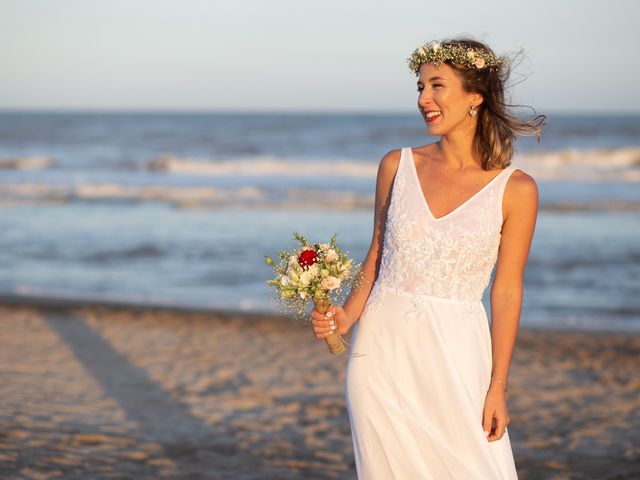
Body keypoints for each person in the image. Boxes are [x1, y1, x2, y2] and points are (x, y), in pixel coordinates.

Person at [310, 37, 545, 479]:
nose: (423, 99)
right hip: (380, 353)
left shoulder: (517, 190)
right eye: (420, 87)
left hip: (458, 355)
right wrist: (345, 317)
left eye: (437, 86)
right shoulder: (396, 165)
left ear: (476, 96)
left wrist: (498, 387)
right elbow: (378, 253)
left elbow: (508, 290)